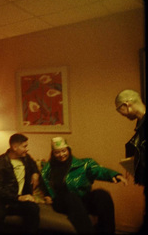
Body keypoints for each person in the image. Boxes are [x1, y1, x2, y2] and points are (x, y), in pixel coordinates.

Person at [41, 137, 128, 234]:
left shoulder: (83, 164)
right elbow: (44, 183)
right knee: (71, 196)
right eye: (57, 152)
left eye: (63, 151)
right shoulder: (47, 169)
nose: (61, 155)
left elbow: (98, 170)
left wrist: (114, 175)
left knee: (102, 194)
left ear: (68, 150)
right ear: (52, 153)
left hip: (81, 199)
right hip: (62, 202)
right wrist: (47, 195)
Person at [0, 133, 51, 234]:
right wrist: (18, 197)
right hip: (3, 201)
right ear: (14, 147)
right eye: (24, 146)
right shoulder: (0, 163)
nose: (27, 149)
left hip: (19, 201)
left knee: (33, 209)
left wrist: (35, 173)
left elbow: (33, 166)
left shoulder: (26, 158)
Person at [115, 89, 146, 232]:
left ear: (127, 105)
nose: (122, 115)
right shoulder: (141, 123)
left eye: (121, 111)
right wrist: (132, 163)